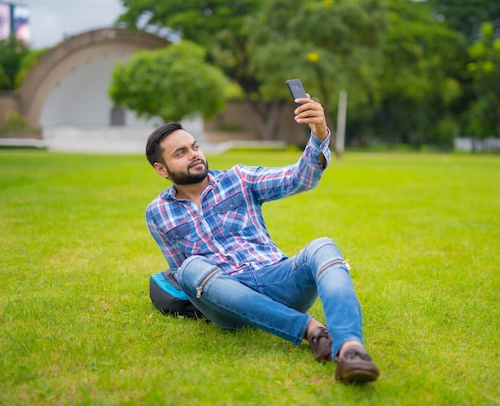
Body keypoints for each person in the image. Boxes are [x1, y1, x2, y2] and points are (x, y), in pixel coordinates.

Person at [144, 94, 379, 384]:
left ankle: (351, 349)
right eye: (180, 153)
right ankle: (311, 330)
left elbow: (299, 178)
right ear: (161, 169)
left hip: (276, 278)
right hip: (228, 301)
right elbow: (184, 277)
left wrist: (319, 134)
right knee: (190, 268)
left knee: (323, 245)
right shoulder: (157, 213)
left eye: (195, 147)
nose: (194, 154)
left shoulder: (239, 179)